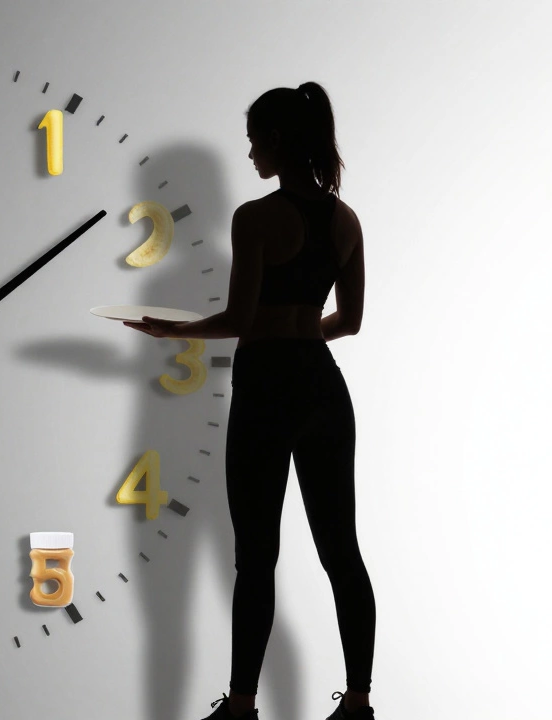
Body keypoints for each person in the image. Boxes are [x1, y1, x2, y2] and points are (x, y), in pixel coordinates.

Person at [124, 82, 375, 720]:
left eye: (256, 138)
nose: (250, 150)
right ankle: (360, 701)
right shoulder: (346, 221)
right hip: (322, 383)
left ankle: (240, 703)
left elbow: (240, 315)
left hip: (266, 385)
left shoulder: (256, 217)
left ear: (279, 139)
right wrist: (296, 328)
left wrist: (172, 329)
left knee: (256, 553)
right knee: (340, 549)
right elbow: (348, 322)